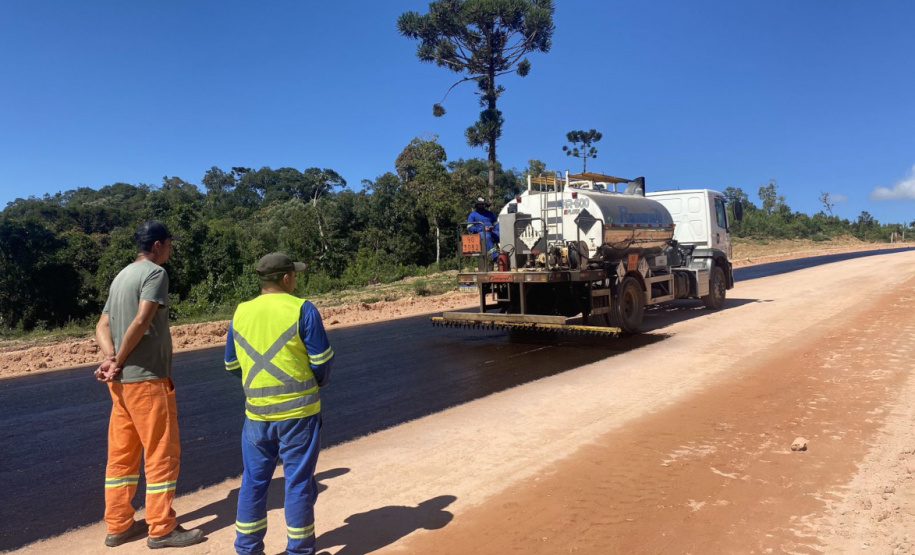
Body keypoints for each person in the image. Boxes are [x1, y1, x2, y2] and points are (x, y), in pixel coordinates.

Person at [94, 220, 204, 549]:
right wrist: (119, 359)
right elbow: (142, 319)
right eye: (169, 243)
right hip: (147, 380)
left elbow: (102, 324)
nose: (171, 248)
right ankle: (161, 528)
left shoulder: (121, 276)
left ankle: (118, 524)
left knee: (122, 457)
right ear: (156, 245)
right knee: (161, 454)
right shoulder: (155, 274)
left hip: (122, 386)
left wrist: (111, 357)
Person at [223, 252, 335, 555]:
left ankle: (247, 550)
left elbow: (232, 365)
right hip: (299, 414)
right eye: (294, 275)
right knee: (297, 483)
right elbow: (322, 362)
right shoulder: (302, 309)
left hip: (256, 417)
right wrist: (315, 384)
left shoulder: (240, 312)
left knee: (254, 483)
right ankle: (298, 551)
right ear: (286, 278)